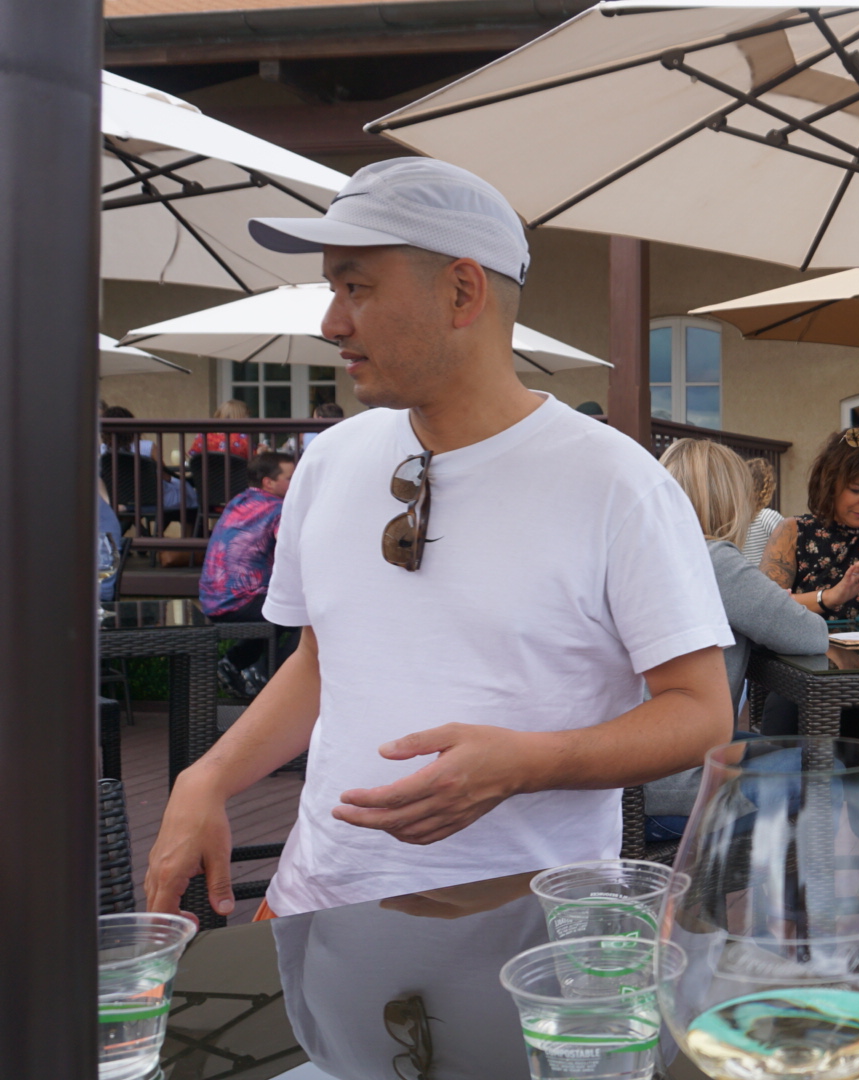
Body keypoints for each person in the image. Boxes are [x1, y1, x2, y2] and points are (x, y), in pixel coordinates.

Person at [145, 156, 734, 921]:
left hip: (525, 931)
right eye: (333, 289)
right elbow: (322, 661)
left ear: (462, 291)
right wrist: (208, 776)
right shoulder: (329, 460)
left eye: (356, 288)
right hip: (316, 903)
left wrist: (525, 764)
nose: (332, 323)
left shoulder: (617, 484)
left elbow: (700, 713)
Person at [646, 439, 829, 838]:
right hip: (676, 793)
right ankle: (794, 875)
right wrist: (775, 608)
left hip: (633, 781)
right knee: (829, 767)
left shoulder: (650, 554)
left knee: (778, 746)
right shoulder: (713, 560)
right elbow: (811, 635)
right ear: (731, 501)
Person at [760, 427, 859, 619]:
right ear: (829, 484)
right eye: (856, 490)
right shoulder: (793, 531)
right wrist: (831, 596)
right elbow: (764, 609)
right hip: (818, 640)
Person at [200, 451, 298, 698]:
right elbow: (293, 551)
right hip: (243, 600)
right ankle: (265, 677)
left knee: (277, 609)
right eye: (290, 478)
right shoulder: (279, 509)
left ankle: (233, 663)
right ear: (268, 482)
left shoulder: (239, 501)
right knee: (303, 615)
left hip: (213, 600)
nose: (296, 482)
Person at [739, 456, 785, 570]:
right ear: (769, 486)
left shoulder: (736, 520)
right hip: (769, 578)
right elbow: (790, 549)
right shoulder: (767, 517)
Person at [189, 399, 255, 459]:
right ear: (242, 417)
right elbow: (253, 460)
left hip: (206, 468)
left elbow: (193, 458)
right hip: (235, 469)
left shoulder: (203, 435)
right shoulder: (244, 439)